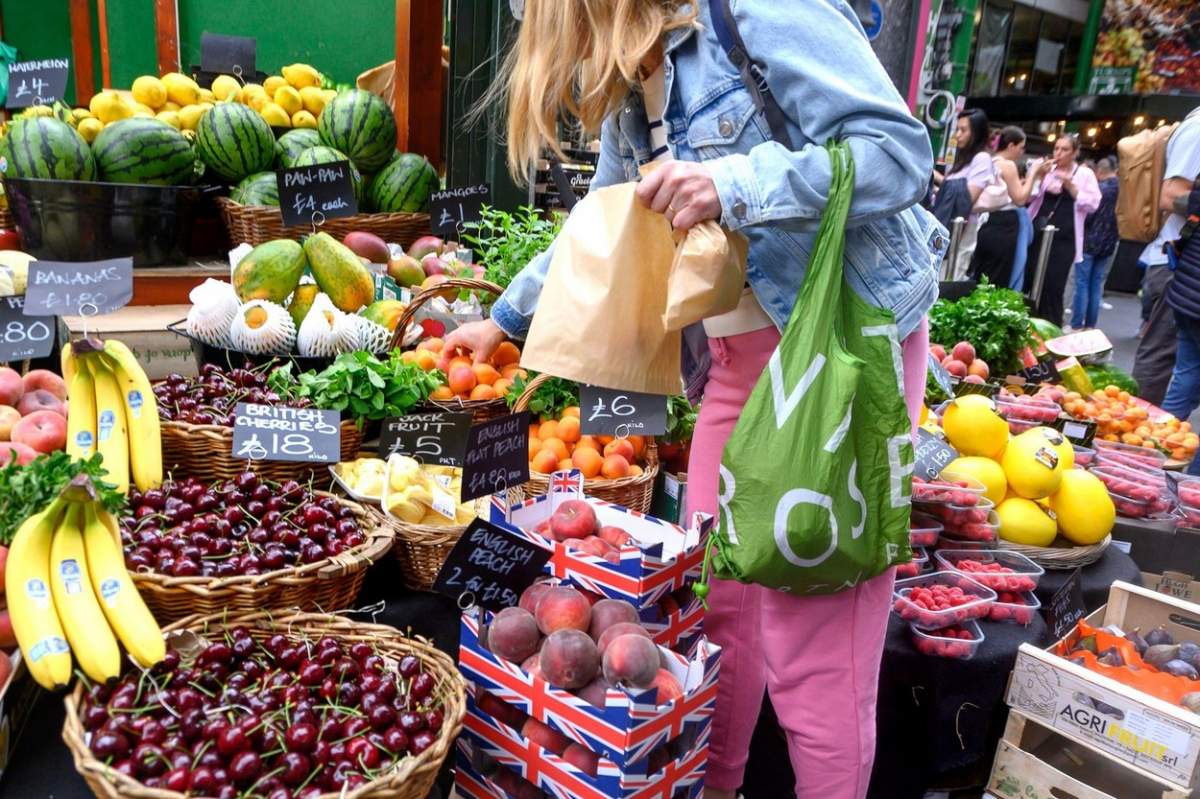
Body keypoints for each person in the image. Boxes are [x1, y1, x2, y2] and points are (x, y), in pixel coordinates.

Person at [447, 2, 944, 796]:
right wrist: (502, 320)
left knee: (812, 641)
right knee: (713, 609)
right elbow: (602, 231)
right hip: (732, 362)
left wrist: (731, 183)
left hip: (836, 351)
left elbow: (897, 154)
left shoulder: (763, 11)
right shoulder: (638, 77)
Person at [1132, 109, 1200, 405]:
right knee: (1161, 360)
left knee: (1185, 369)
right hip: (1178, 265)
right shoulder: (1198, 130)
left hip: (1182, 264)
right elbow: (1170, 195)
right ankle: (1134, 441)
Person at [1024, 135, 1101, 327]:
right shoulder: (1046, 170)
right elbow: (1028, 198)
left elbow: (1093, 204)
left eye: (1065, 149)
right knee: (1032, 277)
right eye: (1056, 148)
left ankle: (1049, 325)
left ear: (1075, 152)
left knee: (1053, 284)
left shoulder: (1084, 174)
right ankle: (1028, 321)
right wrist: (1037, 176)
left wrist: (1072, 187)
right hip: (1039, 230)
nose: (1058, 153)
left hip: (1065, 237)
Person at [1162, 177, 1200, 475]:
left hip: (1188, 293)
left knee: (1184, 377)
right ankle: (1194, 482)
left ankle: (1159, 456)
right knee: (1184, 376)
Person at [969, 126, 1039, 287]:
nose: (1022, 152)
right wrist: (1033, 173)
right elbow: (1020, 198)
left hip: (985, 223)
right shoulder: (1008, 165)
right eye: (1021, 147)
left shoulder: (988, 162)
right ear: (1011, 146)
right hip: (1005, 225)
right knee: (999, 280)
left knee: (981, 276)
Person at [933, 109, 993, 279]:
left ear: (977, 132)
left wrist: (940, 183)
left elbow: (967, 198)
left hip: (962, 229)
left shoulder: (981, 159)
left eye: (963, 130)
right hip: (948, 227)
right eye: (957, 130)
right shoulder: (962, 161)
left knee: (949, 278)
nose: (958, 135)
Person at [1070, 156, 1119, 330]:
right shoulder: (1122, 189)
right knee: (1096, 283)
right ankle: (1091, 325)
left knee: (1082, 283)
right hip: (1109, 241)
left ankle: (1076, 324)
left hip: (1090, 240)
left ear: (1099, 172)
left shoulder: (1099, 189)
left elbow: (1088, 213)